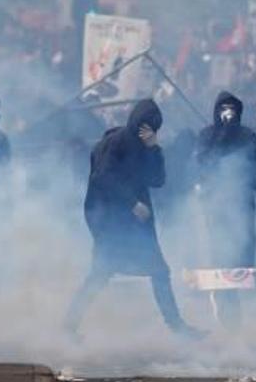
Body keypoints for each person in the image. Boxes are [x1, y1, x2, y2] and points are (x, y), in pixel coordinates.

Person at [65, 99, 204, 339]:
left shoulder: (145, 147)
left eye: (153, 129)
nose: (148, 132)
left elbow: (158, 180)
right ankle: (68, 326)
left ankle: (178, 328)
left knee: (158, 271)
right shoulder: (114, 143)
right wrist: (131, 202)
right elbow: (102, 178)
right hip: (110, 221)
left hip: (135, 224)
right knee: (101, 273)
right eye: (146, 126)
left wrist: (154, 149)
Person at [195, 91, 256, 328]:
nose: (228, 112)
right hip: (216, 208)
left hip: (241, 207)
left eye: (232, 109)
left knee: (241, 262)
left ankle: (239, 308)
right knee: (220, 258)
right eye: (223, 108)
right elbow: (201, 166)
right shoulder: (207, 136)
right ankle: (226, 310)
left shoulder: (249, 137)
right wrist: (223, 134)